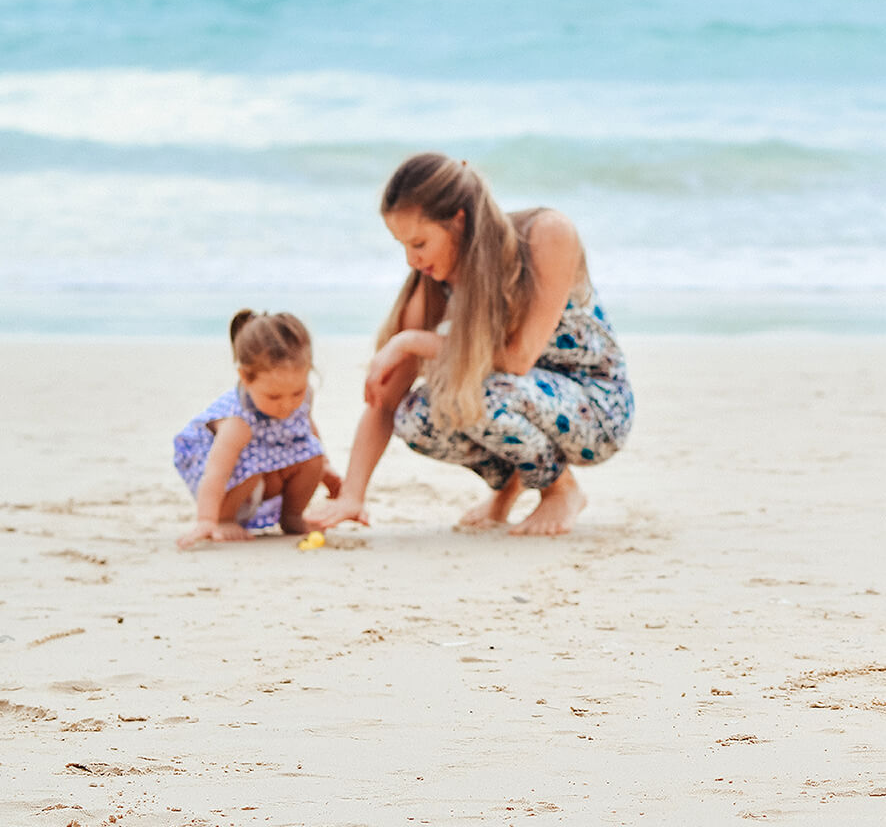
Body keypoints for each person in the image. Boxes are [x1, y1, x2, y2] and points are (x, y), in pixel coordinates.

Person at [307, 153, 634, 537]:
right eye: (403, 247)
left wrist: (412, 341)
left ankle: (561, 490)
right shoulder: (432, 284)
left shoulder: (545, 234)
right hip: (523, 400)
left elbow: (518, 359)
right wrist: (352, 495)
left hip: (596, 408)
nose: (412, 260)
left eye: (420, 243)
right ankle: (507, 487)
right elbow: (386, 403)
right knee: (418, 415)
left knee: (480, 392)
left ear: (458, 220)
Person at [174, 309, 340, 547]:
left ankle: (291, 516)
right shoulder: (238, 421)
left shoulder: (302, 399)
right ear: (245, 377)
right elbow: (216, 474)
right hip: (229, 485)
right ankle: (225, 519)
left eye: (297, 392)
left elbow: (308, 431)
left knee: (313, 457)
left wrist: (325, 469)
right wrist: (206, 520)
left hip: (266, 470)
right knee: (253, 468)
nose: (287, 405)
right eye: (273, 396)